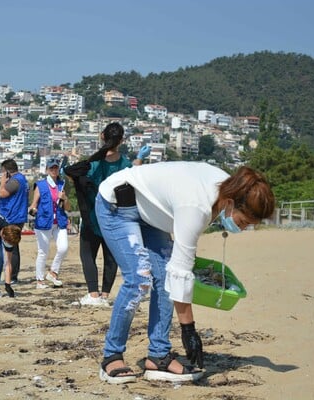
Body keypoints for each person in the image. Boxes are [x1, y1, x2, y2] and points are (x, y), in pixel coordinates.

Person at [95, 162, 275, 383]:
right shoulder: (196, 207)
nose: (244, 228)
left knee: (163, 279)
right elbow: (180, 272)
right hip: (116, 205)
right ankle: (111, 355)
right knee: (139, 279)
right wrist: (188, 330)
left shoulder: (233, 188)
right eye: (244, 222)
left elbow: (175, 272)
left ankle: (158, 355)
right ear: (230, 203)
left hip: (152, 213)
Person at [64, 122, 150, 307]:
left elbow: (72, 175)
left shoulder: (93, 163)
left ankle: (93, 295)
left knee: (87, 255)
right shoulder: (125, 164)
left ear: (102, 136)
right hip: (116, 217)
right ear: (121, 141)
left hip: (93, 217)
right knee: (111, 257)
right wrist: (140, 158)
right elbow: (135, 177)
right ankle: (104, 295)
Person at [29, 157, 71, 289]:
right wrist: (33, 211)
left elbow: (68, 207)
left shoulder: (62, 185)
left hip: (59, 222)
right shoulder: (40, 185)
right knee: (43, 252)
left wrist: (64, 198)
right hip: (43, 222)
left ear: (58, 170)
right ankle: (40, 281)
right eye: (51, 168)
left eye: (56, 168)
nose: (54, 170)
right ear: (47, 170)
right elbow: (33, 205)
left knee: (63, 248)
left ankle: (53, 272)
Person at [0, 159, 29, 283]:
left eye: (2, 172)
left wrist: (2, 182)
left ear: (7, 171)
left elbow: (2, 193)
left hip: (12, 217)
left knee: (11, 247)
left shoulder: (14, 181)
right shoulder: (23, 179)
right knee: (13, 246)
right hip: (18, 216)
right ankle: (13, 275)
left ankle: (12, 276)